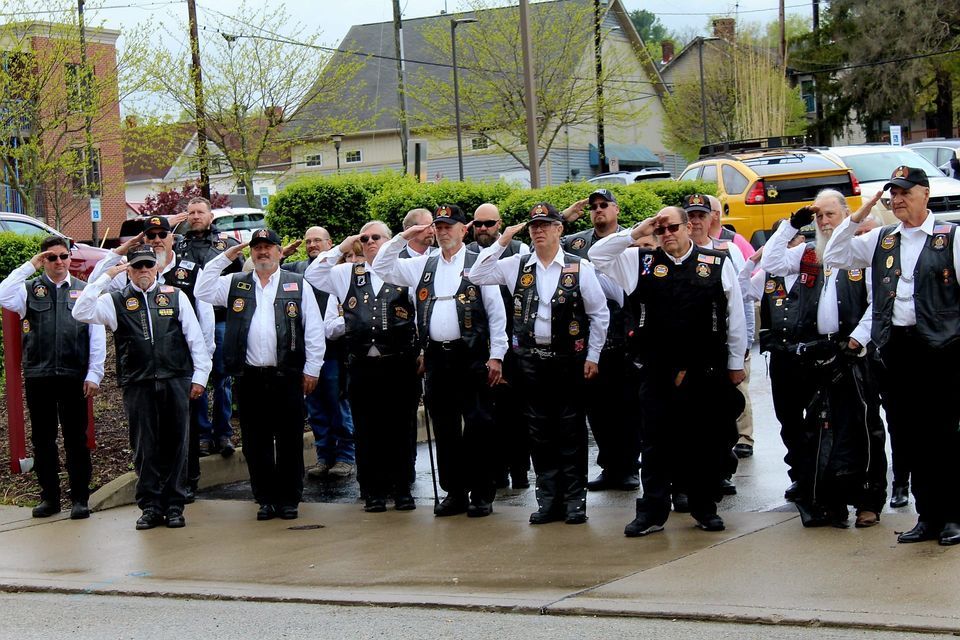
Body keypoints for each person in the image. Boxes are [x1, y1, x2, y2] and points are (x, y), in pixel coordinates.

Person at [589, 206, 747, 536]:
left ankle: (704, 507)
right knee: (656, 443)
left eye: (672, 227)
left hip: (705, 369)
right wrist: (638, 229)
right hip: (657, 369)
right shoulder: (640, 262)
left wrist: (735, 364)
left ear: (688, 227)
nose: (667, 235)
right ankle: (652, 512)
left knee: (703, 442)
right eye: (660, 231)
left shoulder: (715, 263)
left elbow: (735, 317)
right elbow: (598, 254)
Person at [824, 166, 960, 546]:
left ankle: (953, 515)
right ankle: (927, 516)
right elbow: (835, 254)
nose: (897, 200)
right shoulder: (883, 239)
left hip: (942, 349)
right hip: (896, 349)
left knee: (944, 435)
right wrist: (859, 215)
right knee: (909, 436)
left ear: (925, 194)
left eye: (904, 192)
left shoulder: (950, 237)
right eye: (892, 194)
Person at [469, 202, 608, 524]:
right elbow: (477, 274)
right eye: (534, 226)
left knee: (571, 431)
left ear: (559, 229)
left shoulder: (578, 267)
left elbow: (599, 314)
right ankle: (548, 500)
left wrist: (593, 355)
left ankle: (575, 501)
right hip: (531, 361)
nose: (539, 231)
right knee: (539, 432)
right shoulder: (517, 264)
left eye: (545, 225)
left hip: (569, 360)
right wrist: (503, 241)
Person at [761, 191, 886, 528]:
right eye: (819, 216)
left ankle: (868, 501)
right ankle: (830, 501)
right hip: (820, 354)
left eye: (831, 214)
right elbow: (771, 262)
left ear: (846, 214)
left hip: (855, 352)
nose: (825, 222)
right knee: (821, 431)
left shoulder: (859, 250)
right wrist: (791, 226)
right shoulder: (809, 252)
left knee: (863, 426)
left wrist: (857, 340)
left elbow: (877, 303)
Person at [373, 204, 508, 518]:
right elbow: (382, 266)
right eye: (439, 226)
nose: (444, 231)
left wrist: (497, 355)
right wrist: (405, 236)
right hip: (437, 357)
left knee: (477, 426)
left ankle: (481, 493)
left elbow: (496, 313)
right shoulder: (423, 264)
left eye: (450, 226)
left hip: (471, 356)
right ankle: (455, 492)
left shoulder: (479, 262)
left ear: (464, 229)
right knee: (445, 429)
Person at [73, 245, 211, 530]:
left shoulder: (175, 296)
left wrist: (200, 377)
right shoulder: (116, 300)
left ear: (157, 268)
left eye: (149, 265)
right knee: (144, 446)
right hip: (137, 381)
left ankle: (174, 505)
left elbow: (195, 339)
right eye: (138, 267)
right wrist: (104, 277)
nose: (144, 271)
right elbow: (81, 311)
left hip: (175, 378)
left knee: (177, 444)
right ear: (130, 270)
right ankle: (150, 506)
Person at [195, 228, 325, 522]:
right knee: (256, 442)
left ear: (280, 252)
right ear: (251, 253)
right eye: (257, 248)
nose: (262, 252)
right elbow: (202, 289)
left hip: (288, 375)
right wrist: (224, 256)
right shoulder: (235, 283)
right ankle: (265, 499)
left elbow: (314, 329)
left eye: (268, 247)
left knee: (290, 439)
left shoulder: (297, 284)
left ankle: (289, 499)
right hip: (250, 376)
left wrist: (312, 369)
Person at [304, 221, 421, 512]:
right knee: (368, 431)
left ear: (390, 241)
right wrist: (342, 247)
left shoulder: (405, 269)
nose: (370, 242)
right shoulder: (347, 274)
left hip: (399, 364)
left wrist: (423, 351)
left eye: (376, 237)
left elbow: (420, 314)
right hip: (363, 366)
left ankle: (402, 488)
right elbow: (313, 273)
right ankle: (373, 490)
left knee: (401, 429)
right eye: (365, 238)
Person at [0, 236, 106, 520]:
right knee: (43, 440)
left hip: (74, 375)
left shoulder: (84, 291)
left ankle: (80, 499)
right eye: (51, 257)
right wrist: (29, 266)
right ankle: (50, 498)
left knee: (76, 439)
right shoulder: (28, 290)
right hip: (40, 374)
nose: (59, 262)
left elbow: (96, 335)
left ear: (70, 258)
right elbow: (2, 292)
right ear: (43, 260)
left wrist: (95, 373)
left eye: (63, 256)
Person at [562, 189, 639, 492]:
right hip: (587, 337)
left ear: (616, 210)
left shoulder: (629, 240)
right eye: (593, 207)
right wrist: (565, 219)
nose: (597, 210)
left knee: (626, 408)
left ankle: (629, 467)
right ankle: (610, 467)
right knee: (598, 410)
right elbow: (543, 251)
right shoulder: (576, 242)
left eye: (603, 205)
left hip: (623, 336)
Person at [684, 194, 754, 467]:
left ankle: (736, 448)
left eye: (701, 215)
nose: (696, 222)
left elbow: (742, 301)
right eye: (690, 216)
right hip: (693, 352)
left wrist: (746, 340)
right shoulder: (675, 252)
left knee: (731, 402)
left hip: (724, 344)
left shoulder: (727, 250)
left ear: (711, 218)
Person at [467, 203, 532, 490]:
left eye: (489, 223)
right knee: (486, 416)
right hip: (480, 346)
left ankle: (519, 471)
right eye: (478, 224)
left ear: (500, 224)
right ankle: (495, 472)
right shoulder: (468, 255)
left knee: (516, 414)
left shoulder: (519, 251)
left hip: (516, 345)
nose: (483, 229)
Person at [172, 197, 243, 458]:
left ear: (210, 216)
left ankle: (223, 433)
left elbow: (242, 280)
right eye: (190, 212)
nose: (195, 216)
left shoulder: (228, 246)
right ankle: (202, 434)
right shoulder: (179, 247)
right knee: (196, 378)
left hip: (222, 320)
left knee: (222, 378)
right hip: (189, 323)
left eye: (200, 212)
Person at [282, 227, 356, 480]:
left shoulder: (341, 268)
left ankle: (346, 456)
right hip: (304, 352)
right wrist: (279, 255)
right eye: (308, 241)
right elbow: (256, 271)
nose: (312, 244)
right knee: (315, 407)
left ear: (330, 243)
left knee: (337, 403)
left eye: (317, 240)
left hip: (334, 352)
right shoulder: (297, 269)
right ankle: (324, 456)